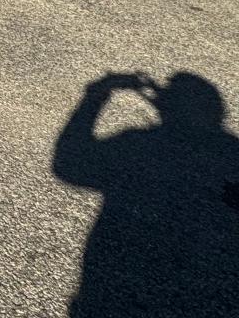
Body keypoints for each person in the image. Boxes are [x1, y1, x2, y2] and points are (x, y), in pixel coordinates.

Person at [53, 72, 239, 317]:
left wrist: (95, 97)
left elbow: (70, 164)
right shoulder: (232, 156)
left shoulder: (138, 147)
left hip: (117, 295)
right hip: (211, 300)